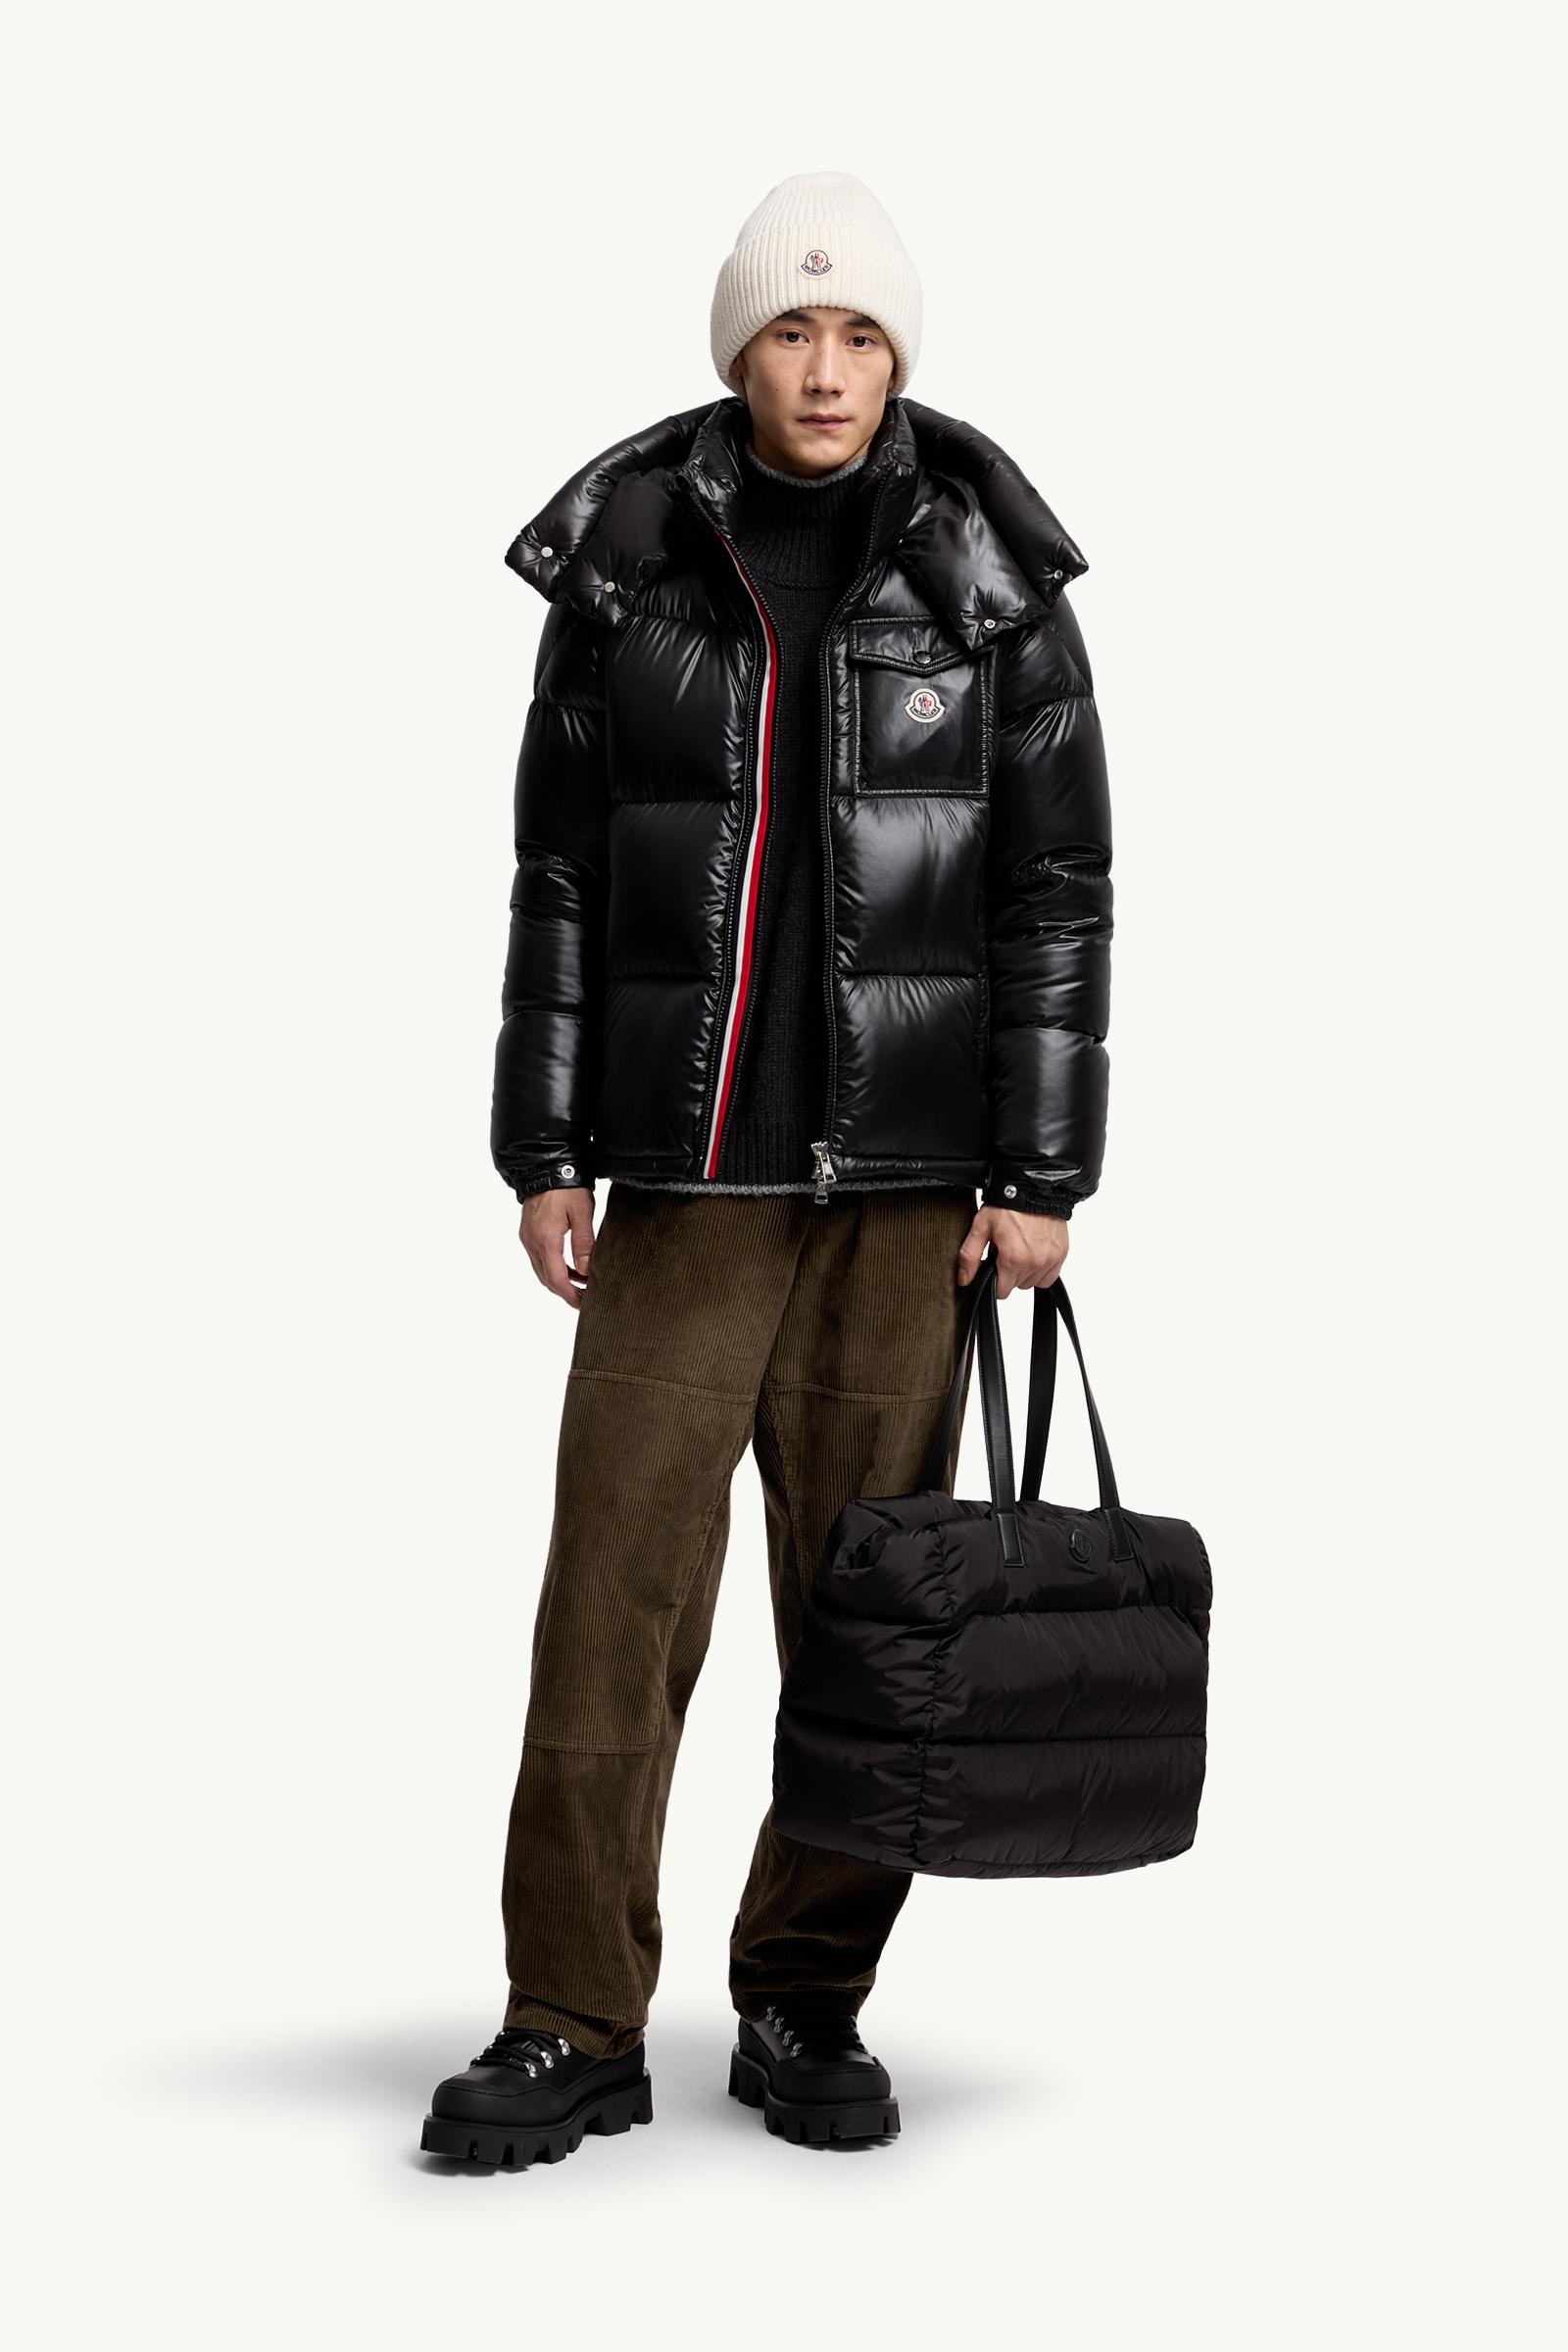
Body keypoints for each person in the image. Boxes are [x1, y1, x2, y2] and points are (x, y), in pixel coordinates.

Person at [421, 170, 1112, 2166]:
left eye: (859, 333)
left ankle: (805, 1995)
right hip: (685, 1183)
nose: (824, 366)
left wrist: (1041, 1171)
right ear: (739, 349)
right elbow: (560, 876)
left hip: (908, 1196)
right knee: (611, 1609)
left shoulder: (990, 576)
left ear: (899, 357)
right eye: (791, 330)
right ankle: (568, 2019)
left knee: (867, 1614)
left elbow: (1055, 892)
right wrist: (542, 1142)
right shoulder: (630, 560)